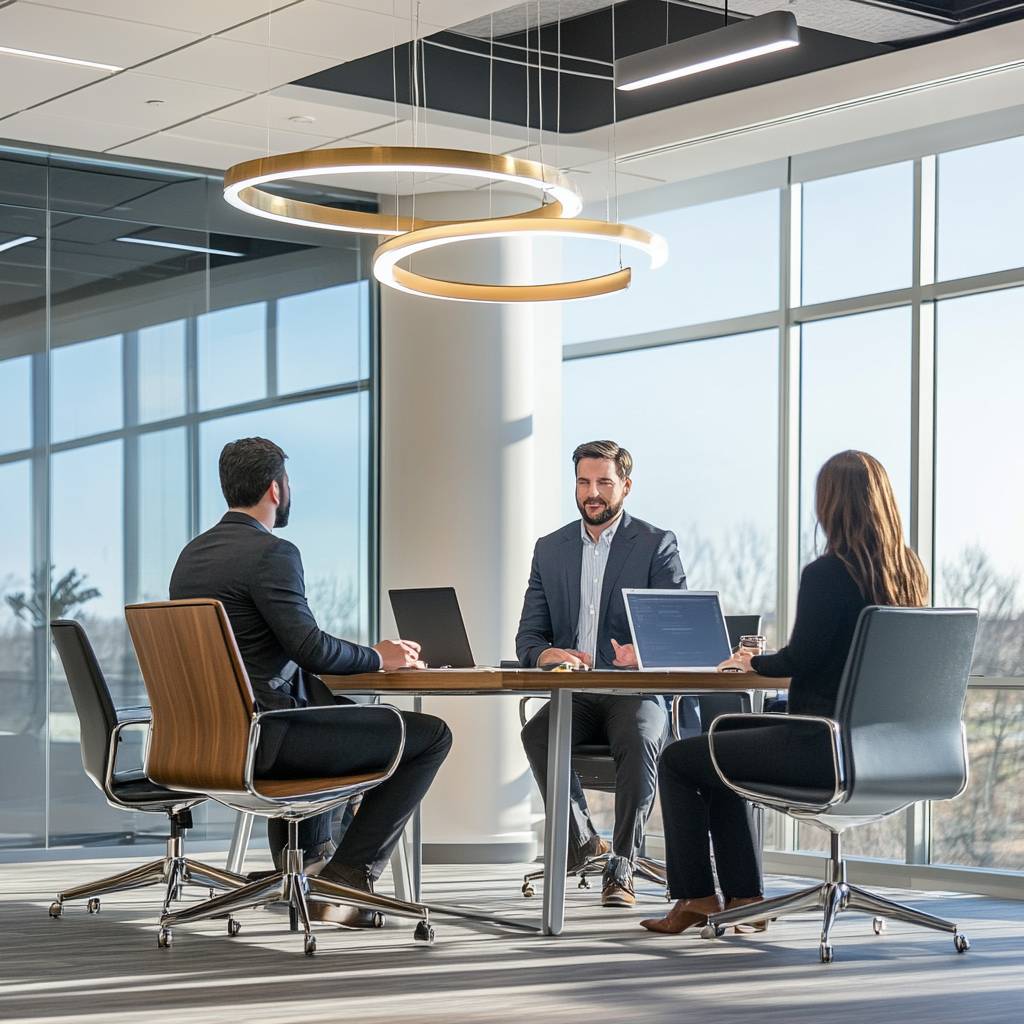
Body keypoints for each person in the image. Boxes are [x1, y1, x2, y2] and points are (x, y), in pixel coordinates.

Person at [641, 450, 929, 934]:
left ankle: (696, 896)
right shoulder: (910, 573)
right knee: (719, 744)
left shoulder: (828, 574)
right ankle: (744, 896)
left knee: (678, 760)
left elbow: (802, 659)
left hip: (822, 748)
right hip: (887, 748)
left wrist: (751, 661)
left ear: (831, 505)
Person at [169, 437, 452, 926]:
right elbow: (310, 648)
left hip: (212, 743)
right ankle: (347, 876)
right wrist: (379, 656)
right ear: (276, 489)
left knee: (331, 708)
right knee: (429, 736)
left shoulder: (190, 558)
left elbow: (274, 654)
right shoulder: (271, 553)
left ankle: (312, 867)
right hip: (269, 741)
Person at [516, 440, 691, 908]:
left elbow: (680, 634)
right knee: (537, 735)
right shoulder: (549, 550)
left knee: (637, 735)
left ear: (625, 487)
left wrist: (644, 652)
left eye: (604, 483)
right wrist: (548, 655)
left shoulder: (656, 545)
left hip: (635, 691)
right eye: (583, 482)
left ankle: (623, 864)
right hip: (577, 694)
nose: (592, 493)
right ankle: (585, 841)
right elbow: (527, 640)